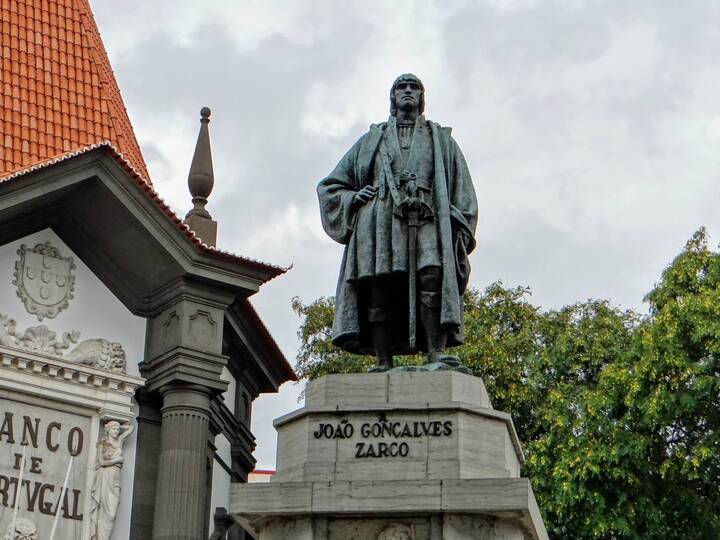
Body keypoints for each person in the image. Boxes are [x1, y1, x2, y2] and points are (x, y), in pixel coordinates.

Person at [317, 74, 478, 370]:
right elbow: (330, 186)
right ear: (392, 97)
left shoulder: (441, 140)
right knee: (379, 287)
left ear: (421, 98)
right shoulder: (371, 140)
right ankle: (382, 360)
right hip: (378, 219)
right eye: (401, 87)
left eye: (413, 87)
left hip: (428, 215)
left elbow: (463, 191)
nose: (407, 91)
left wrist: (458, 225)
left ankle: (436, 352)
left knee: (432, 273)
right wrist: (353, 198)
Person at [89, 420, 134, 540]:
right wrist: (118, 460)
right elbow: (101, 462)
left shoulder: (119, 440)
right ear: (108, 430)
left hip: (116, 481)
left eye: (117, 430)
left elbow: (131, 428)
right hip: (105, 477)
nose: (116, 432)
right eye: (114, 429)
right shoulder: (102, 443)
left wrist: (121, 427)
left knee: (112, 513)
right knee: (105, 511)